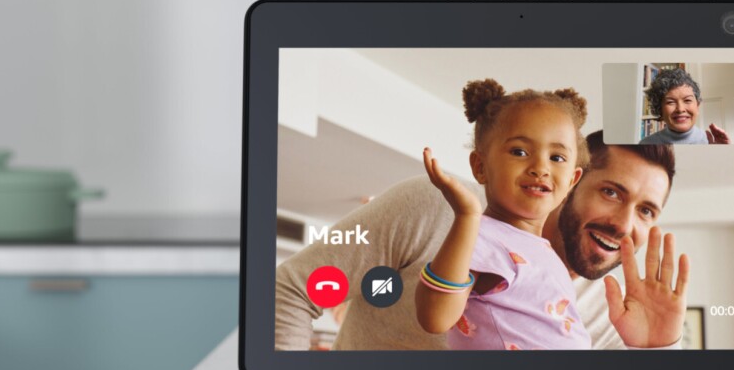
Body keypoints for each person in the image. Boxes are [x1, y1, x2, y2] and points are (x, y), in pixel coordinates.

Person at [274, 130, 683, 351]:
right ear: (572, 180)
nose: (624, 224)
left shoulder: (610, 311)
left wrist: (658, 349)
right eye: (611, 192)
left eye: (646, 211)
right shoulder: (434, 207)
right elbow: (292, 291)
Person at [418, 79, 612, 349]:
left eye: (556, 158)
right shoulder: (482, 235)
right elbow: (435, 318)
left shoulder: (544, 252)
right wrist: (467, 216)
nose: (540, 167)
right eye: (520, 152)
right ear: (480, 166)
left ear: (572, 180)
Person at [639, 67, 730, 145]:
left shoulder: (711, 142)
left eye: (687, 100)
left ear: (697, 106)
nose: (680, 109)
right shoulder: (645, 145)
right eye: (671, 102)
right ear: (660, 109)